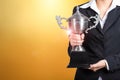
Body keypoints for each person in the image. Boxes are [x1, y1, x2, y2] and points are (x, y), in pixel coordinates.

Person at [68, 0, 120, 80]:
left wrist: (108, 63)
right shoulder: (80, 9)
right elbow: (72, 52)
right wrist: (73, 44)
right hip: (85, 76)